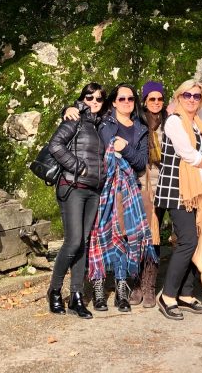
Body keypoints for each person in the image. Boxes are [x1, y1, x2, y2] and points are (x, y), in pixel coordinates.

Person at [154, 79, 202, 320]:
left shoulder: (198, 123)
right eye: (187, 95)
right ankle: (168, 295)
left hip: (198, 190)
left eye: (196, 96)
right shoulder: (174, 121)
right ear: (178, 97)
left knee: (198, 238)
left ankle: (185, 292)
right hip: (177, 189)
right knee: (187, 241)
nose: (192, 99)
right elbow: (187, 153)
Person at [45, 83, 107, 319]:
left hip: (93, 190)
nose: (94, 101)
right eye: (89, 97)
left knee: (83, 242)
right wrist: (78, 167)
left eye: (99, 99)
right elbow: (55, 146)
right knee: (73, 242)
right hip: (72, 187)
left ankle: (77, 296)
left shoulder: (99, 124)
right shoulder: (75, 119)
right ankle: (54, 290)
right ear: (82, 98)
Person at [89, 83, 149, 312]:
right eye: (121, 99)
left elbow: (141, 162)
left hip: (128, 189)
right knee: (99, 234)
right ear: (113, 102)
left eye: (130, 99)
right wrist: (68, 108)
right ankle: (98, 287)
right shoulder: (103, 123)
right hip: (103, 187)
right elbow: (84, 107)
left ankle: (122, 288)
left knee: (124, 236)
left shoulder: (140, 128)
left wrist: (124, 149)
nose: (126, 102)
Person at [129, 80, 166, 308]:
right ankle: (135, 284)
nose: (156, 103)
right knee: (135, 237)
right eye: (152, 99)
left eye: (160, 99)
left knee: (153, 236)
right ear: (144, 101)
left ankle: (149, 286)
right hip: (138, 185)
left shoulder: (169, 124)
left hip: (160, 186)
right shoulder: (136, 123)